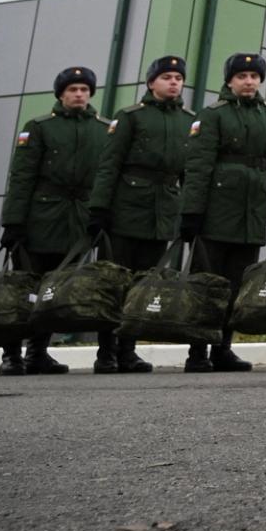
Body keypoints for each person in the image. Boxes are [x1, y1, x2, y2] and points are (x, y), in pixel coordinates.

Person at [179, 53, 266, 373]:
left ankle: (223, 348)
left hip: (251, 213)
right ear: (229, 80)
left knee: (237, 285)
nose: (249, 82)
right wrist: (192, 212)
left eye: (254, 76)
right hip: (216, 213)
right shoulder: (213, 115)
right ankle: (197, 351)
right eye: (242, 76)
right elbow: (198, 166)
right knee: (207, 284)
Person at [87, 55, 193, 373]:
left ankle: (128, 349)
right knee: (115, 282)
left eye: (178, 78)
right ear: (151, 83)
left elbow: (190, 172)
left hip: (162, 212)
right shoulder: (131, 117)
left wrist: (187, 212)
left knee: (144, 284)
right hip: (125, 210)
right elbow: (109, 165)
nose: (173, 82)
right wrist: (99, 208)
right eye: (166, 77)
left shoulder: (190, 121)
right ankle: (106, 351)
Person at [0, 65, 106, 375]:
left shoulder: (102, 129)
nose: (79, 94)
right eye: (73, 89)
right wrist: (13, 223)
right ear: (61, 94)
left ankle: (38, 353)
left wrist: (99, 215)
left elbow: (105, 177)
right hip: (39, 219)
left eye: (84, 90)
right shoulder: (40, 126)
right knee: (25, 290)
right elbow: (21, 177)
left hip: (77, 221)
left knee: (55, 292)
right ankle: (11, 355)